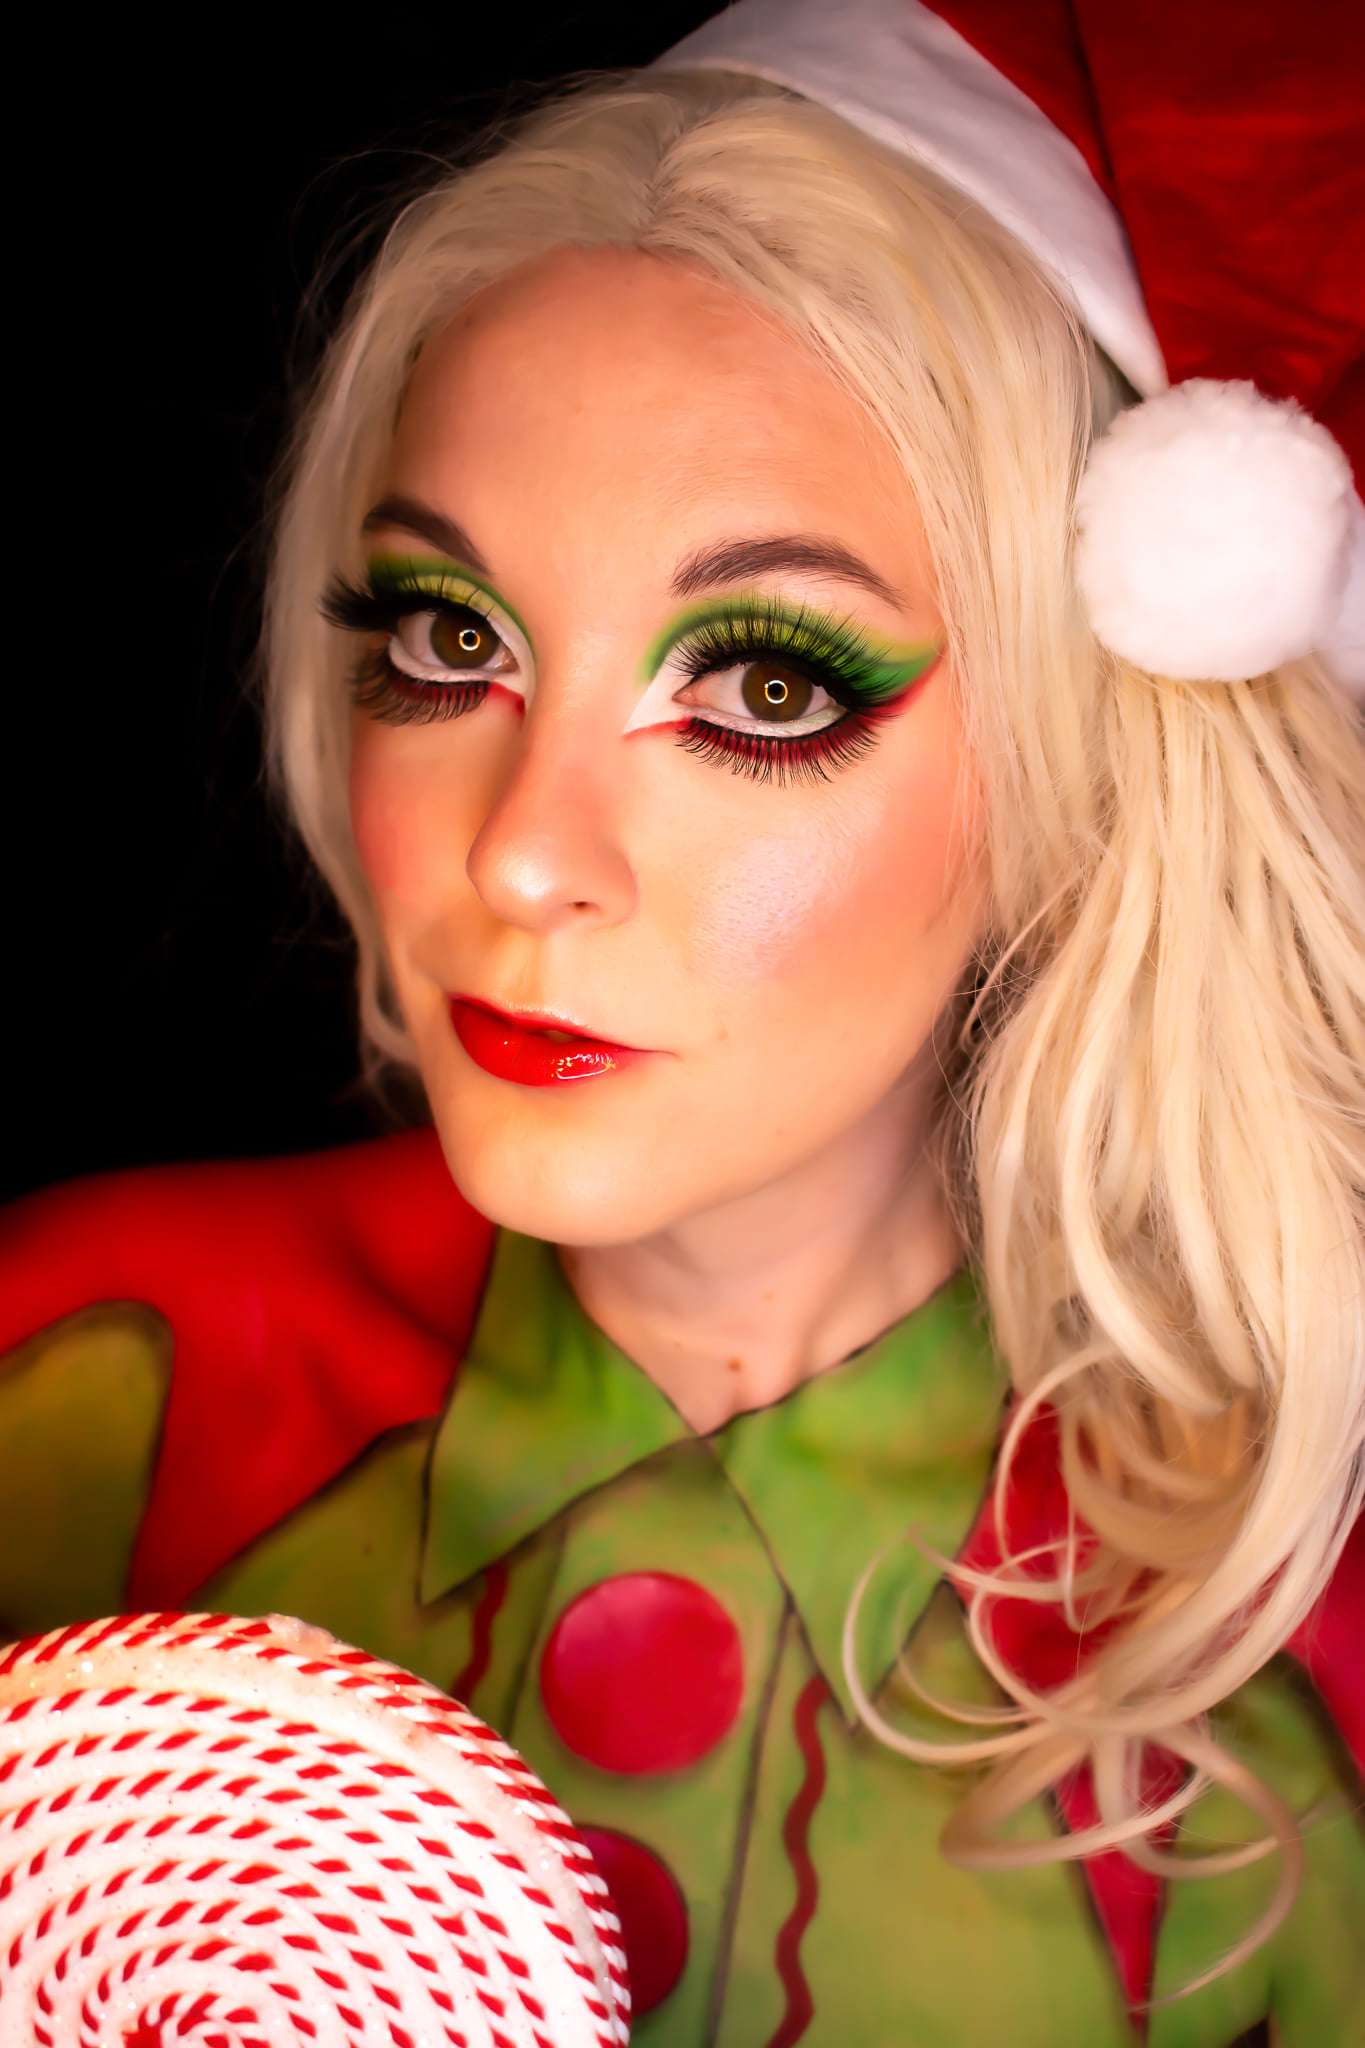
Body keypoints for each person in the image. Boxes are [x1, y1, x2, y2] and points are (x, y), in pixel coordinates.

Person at [2, 4, 1362, 2042]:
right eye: (448, 640)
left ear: (1079, 774)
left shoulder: (1294, 1630)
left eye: (762, 687)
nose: (526, 853)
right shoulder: (79, 1374)